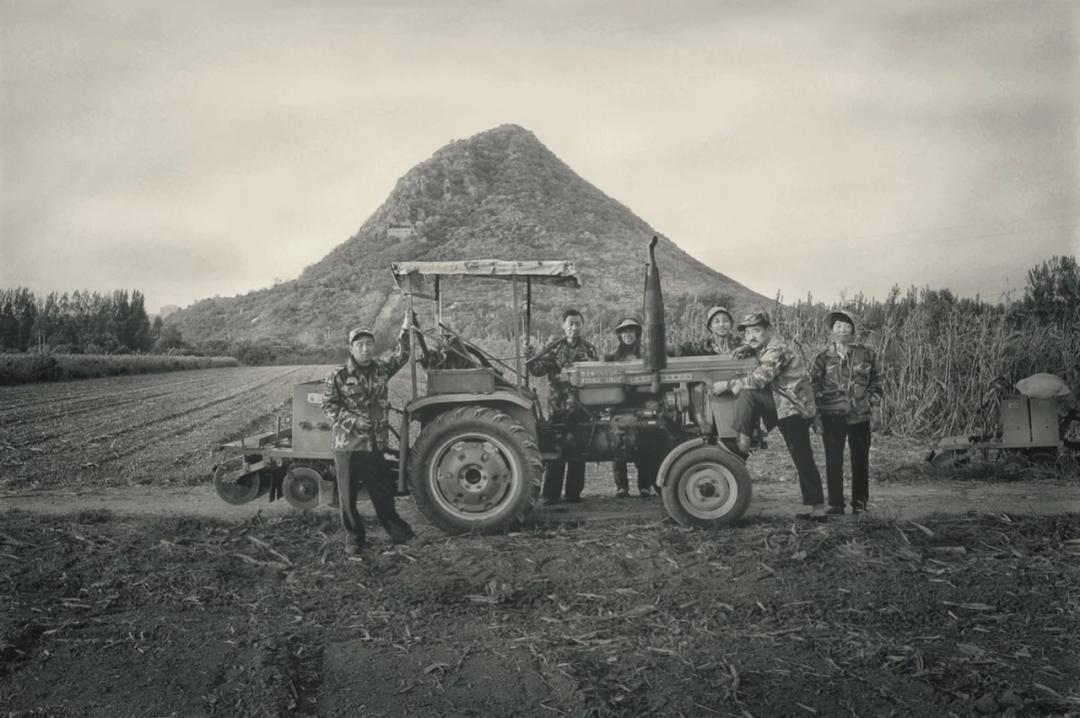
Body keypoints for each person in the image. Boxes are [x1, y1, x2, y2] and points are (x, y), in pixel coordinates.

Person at [711, 311, 827, 521]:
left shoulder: (778, 349)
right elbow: (758, 354)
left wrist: (727, 385)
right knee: (800, 454)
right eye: (747, 332)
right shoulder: (764, 347)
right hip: (780, 402)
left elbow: (760, 378)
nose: (751, 336)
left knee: (801, 455)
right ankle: (741, 445)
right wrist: (747, 347)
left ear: (769, 330)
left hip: (794, 407)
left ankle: (741, 445)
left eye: (756, 330)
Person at [323, 317, 416, 556]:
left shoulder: (381, 369)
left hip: (373, 445)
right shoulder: (338, 375)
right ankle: (354, 540)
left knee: (382, 492)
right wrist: (353, 421)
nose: (364, 349)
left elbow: (402, 355)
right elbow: (328, 406)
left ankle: (400, 534)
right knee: (348, 497)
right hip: (347, 445)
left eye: (368, 344)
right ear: (351, 348)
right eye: (359, 345)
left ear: (373, 346)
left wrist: (406, 328)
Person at [811, 310, 883, 515]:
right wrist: (816, 418)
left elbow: (876, 382)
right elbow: (813, 388)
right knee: (833, 460)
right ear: (832, 330)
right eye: (838, 326)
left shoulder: (866, 354)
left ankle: (860, 504)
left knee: (860, 460)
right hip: (831, 415)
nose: (842, 330)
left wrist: (876, 410)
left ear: (853, 330)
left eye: (847, 325)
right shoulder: (822, 358)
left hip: (860, 415)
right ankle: (836, 504)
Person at [526, 308, 599, 504]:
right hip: (558, 406)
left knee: (578, 450)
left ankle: (574, 494)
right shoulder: (553, 349)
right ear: (563, 326)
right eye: (571, 324)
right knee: (556, 450)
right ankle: (551, 494)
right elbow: (538, 370)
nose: (574, 328)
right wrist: (530, 356)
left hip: (582, 406)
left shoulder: (589, 349)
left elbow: (595, 375)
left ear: (582, 326)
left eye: (578, 324)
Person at [603, 316, 660, 498]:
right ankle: (621, 486)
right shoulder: (612, 357)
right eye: (624, 331)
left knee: (645, 443)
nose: (628, 334)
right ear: (619, 335)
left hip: (641, 403)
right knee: (617, 443)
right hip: (619, 405)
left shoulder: (647, 356)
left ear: (637, 333)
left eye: (631, 330)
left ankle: (644, 486)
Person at [671, 305, 744, 357]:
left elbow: (750, 344)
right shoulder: (704, 346)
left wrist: (747, 347)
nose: (721, 324)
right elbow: (682, 349)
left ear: (731, 324)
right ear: (710, 327)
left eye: (725, 321)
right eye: (716, 321)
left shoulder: (739, 343)